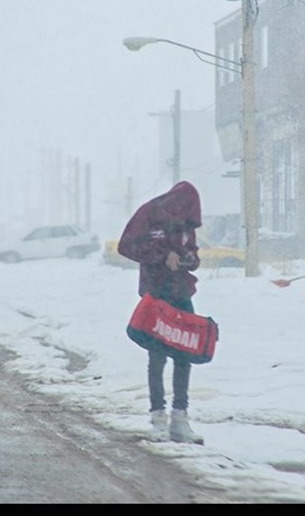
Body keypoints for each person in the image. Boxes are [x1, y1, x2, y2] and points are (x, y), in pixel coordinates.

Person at [117, 181, 204, 444]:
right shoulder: (149, 215)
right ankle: (158, 418)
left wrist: (190, 260)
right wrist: (163, 255)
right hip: (156, 294)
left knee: (185, 353)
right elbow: (126, 246)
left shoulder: (187, 225)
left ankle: (180, 418)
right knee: (157, 357)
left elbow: (193, 253)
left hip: (181, 293)